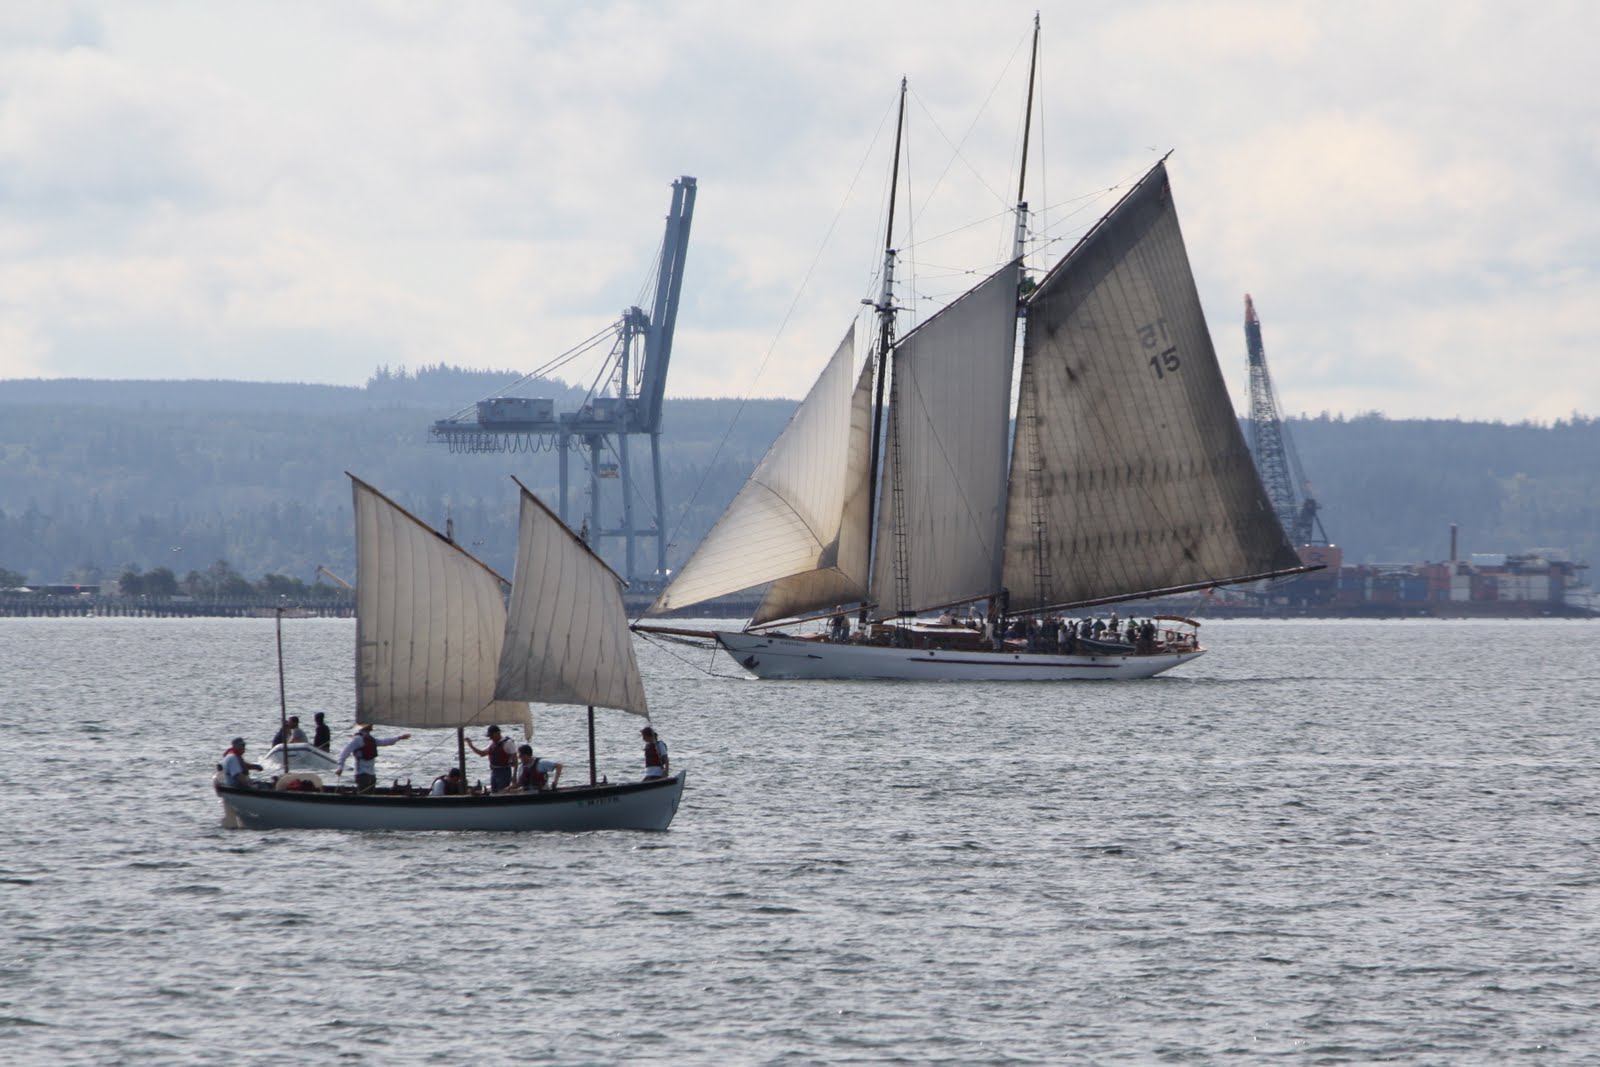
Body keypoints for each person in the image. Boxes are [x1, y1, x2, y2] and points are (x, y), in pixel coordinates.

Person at [336, 723, 411, 792]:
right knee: (363, 796)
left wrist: (399, 738)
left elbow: (384, 742)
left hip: (371, 775)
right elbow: (345, 752)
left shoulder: (370, 739)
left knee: (369, 795)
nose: (372, 726)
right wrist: (340, 767)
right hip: (362, 774)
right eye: (370, 725)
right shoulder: (358, 739)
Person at [466, 724, 518, 792]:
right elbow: (482, 753)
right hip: (494, 771)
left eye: (491, 736)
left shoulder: (508, 743)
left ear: (498, 733)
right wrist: (471, 746)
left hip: (504, 772)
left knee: (502, 791)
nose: (490, 738)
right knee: (494, 791)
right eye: (489, 736)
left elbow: (515, 760)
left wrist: (514, 775)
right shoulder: (492, 745)